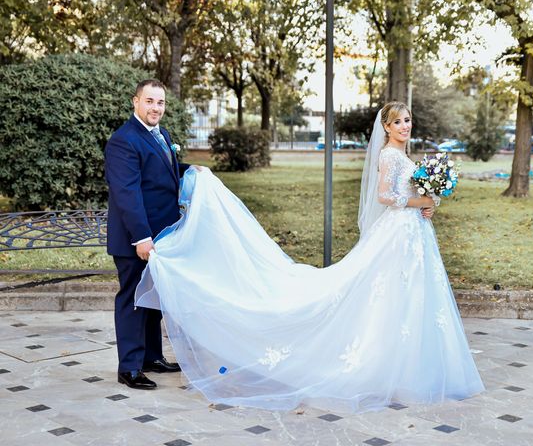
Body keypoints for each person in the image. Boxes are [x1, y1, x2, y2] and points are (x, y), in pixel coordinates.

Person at [135, 101, 484, 411]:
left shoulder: (405, 156)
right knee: (388, 296)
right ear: (386, 128)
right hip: (398, 235)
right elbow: (384, 196)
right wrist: (420, 201)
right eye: (398, 122)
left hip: (412, 234)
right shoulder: (390, 155)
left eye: (408, 121)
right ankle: (388, 366)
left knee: (409, 298)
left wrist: (429, 203)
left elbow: (407, 192)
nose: (405, 126)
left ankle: (411, 366)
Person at [105, 79, 196, 390]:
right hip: (136, 237)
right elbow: (127, 193)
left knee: (153, 298)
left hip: (161, 236)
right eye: (150, 101)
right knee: (132, 299)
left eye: (160, 102)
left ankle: (151, 356)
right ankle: (129, 367)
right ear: (136, 102)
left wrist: (190, 169)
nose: (156, 107)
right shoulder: (124, 140)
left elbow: (161, 171)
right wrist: (141, 238)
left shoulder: (160, 134)